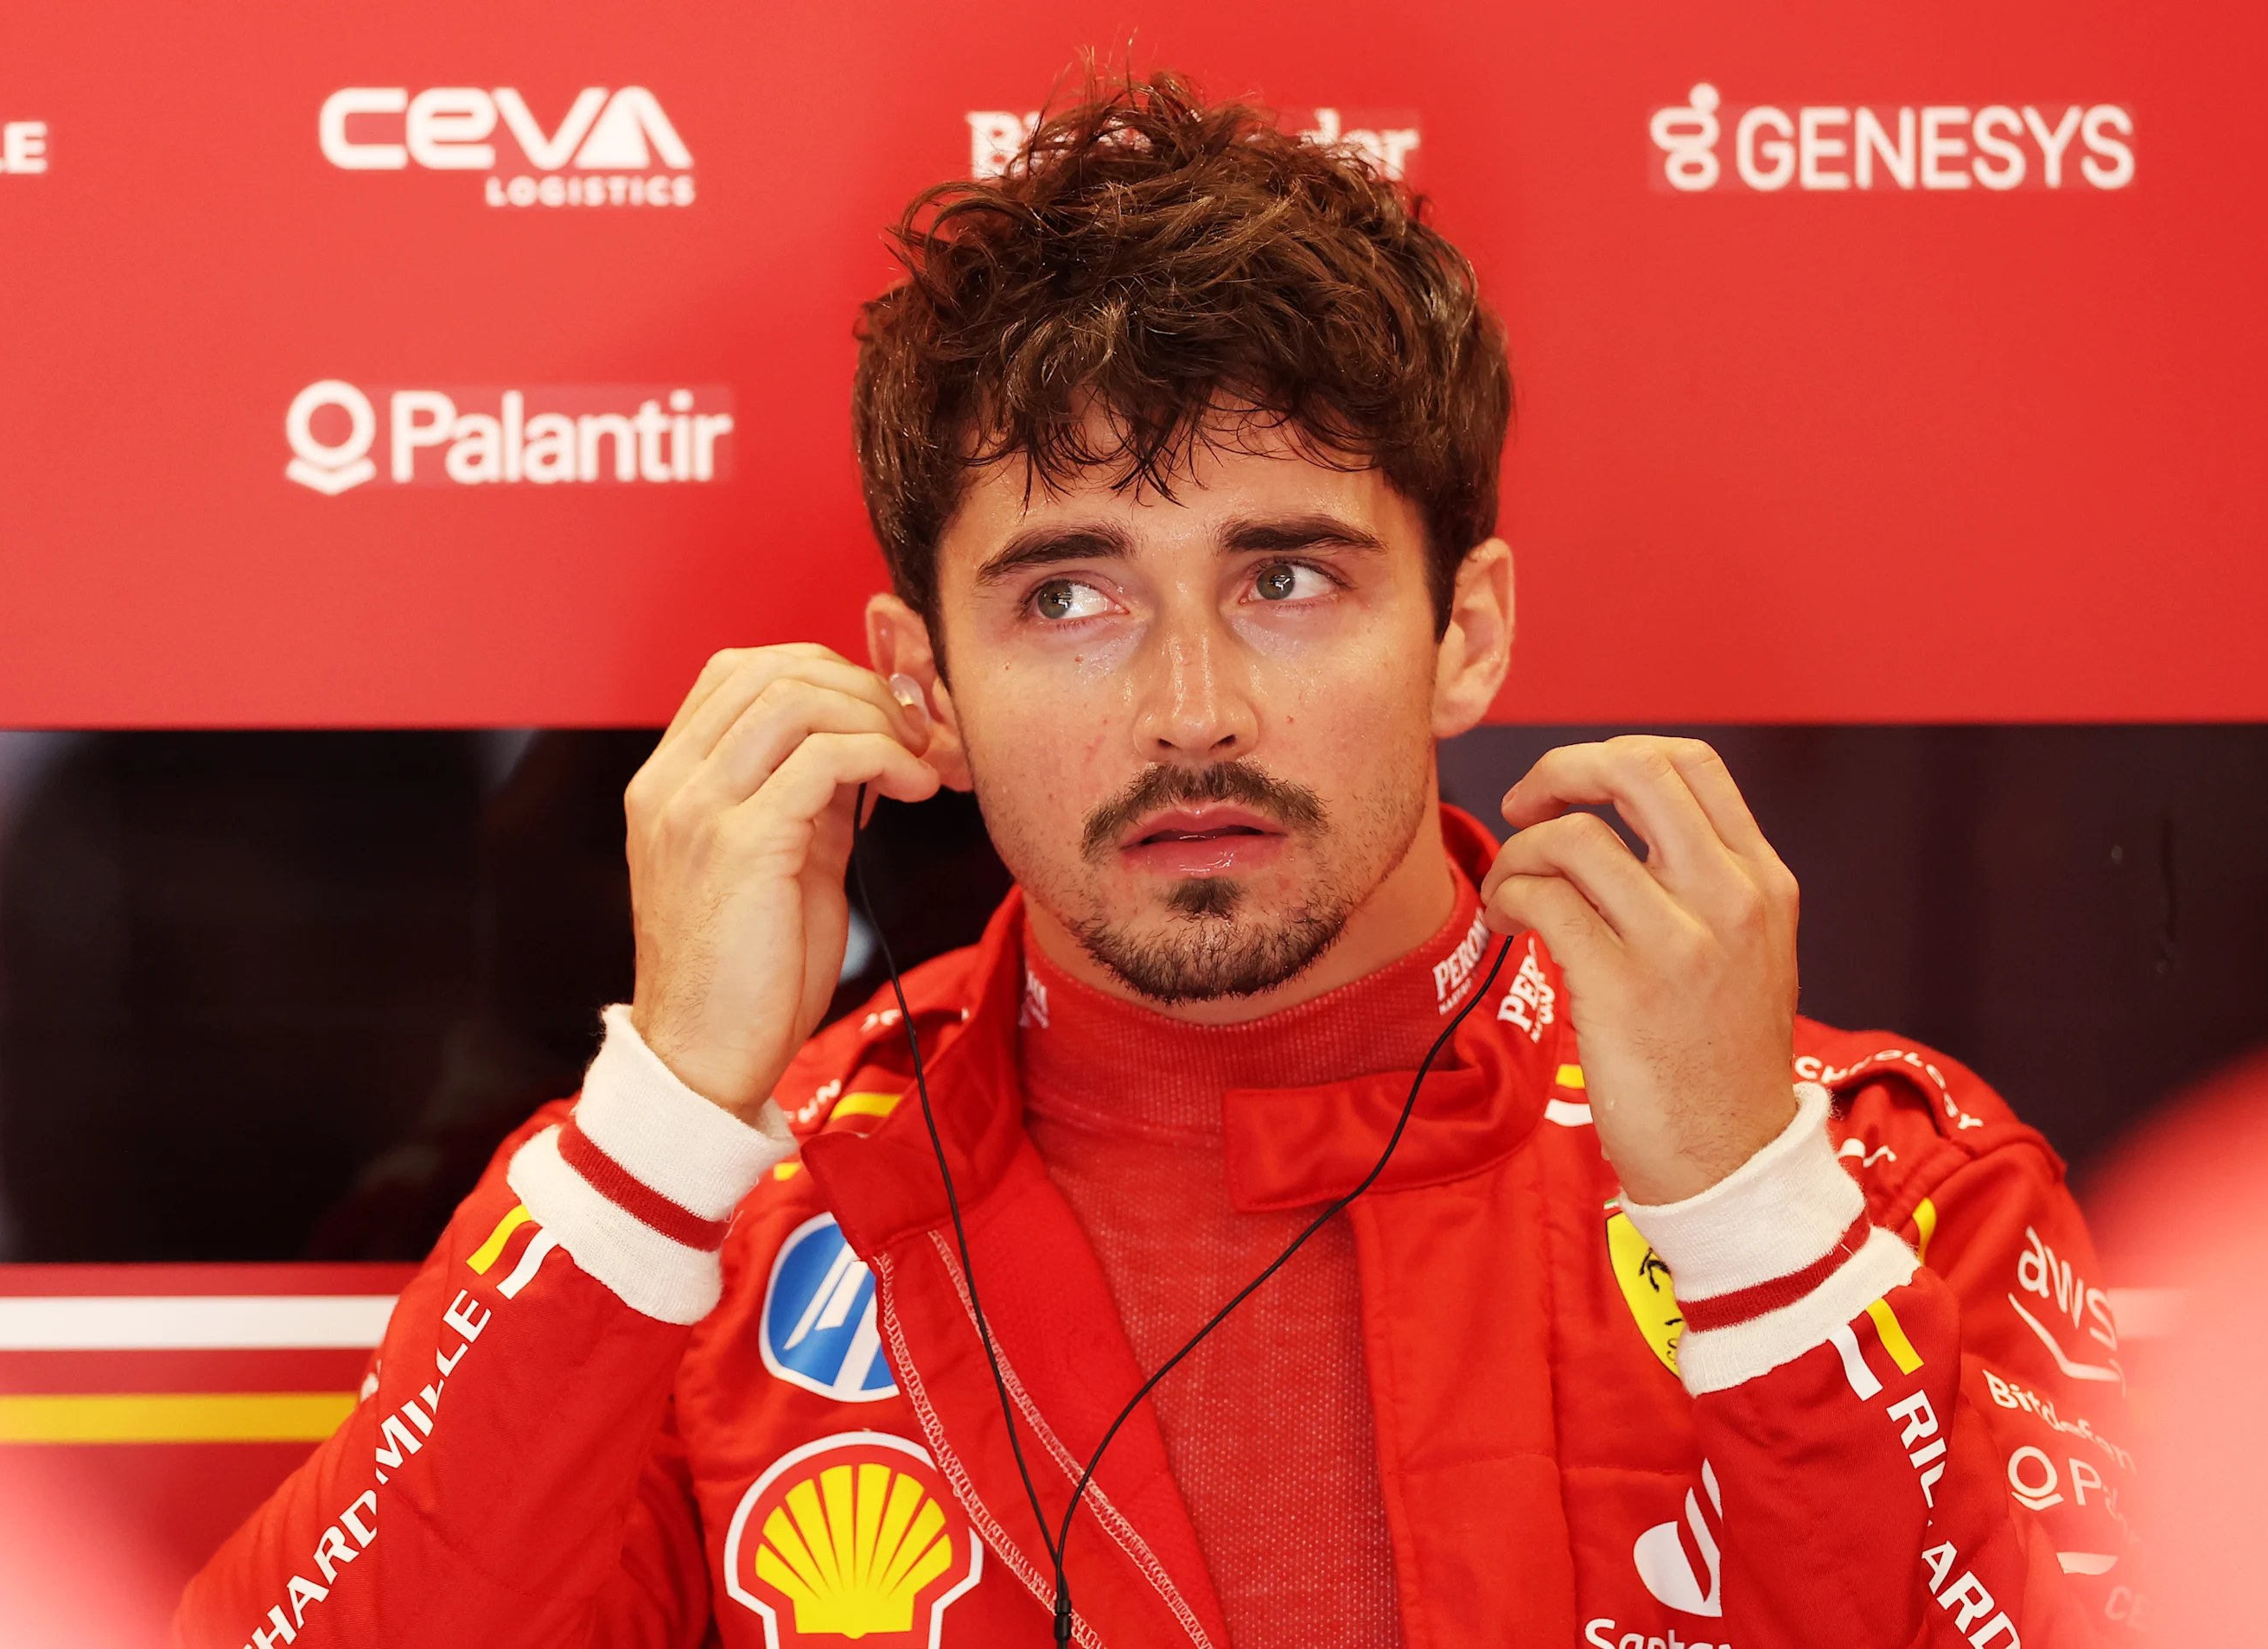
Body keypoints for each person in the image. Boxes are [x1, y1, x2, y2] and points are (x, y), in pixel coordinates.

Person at [179, 73, 2137, 1649]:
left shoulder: (1866, 1180)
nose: (1192, 706)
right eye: (1068, 599)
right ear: (916, 682)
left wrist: (1751, 1233)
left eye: (1287, 578)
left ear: (1463, 634)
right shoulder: (728, 1233)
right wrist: (661, 1125)